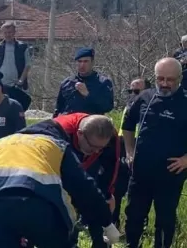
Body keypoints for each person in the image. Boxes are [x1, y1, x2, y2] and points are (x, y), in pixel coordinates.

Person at [0, 120, 121, 247]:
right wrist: (107, 222)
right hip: (34, 206)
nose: (94, 152)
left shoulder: (1, 143)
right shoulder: (55, 145)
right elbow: (84, 188)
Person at [28, 113, 120, 248]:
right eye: (92, 147)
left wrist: (108, 194)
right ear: (80, 134)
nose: (96, 151)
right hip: (52, 167)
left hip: (86, 166)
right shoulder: (60, 133)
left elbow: (111, 165)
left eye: (100, 148)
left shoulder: (109, 136)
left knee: (94, 198)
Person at [122, 58, 187, 248]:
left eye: (170, 80)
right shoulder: (144, 97)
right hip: (141, 170)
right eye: (160, 79)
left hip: (171, 172)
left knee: (165, 219)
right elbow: (127, 126)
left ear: (180, 78)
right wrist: (129, 151)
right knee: (134, 215)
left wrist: (185, 160)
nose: (164, 84)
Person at [113, 77, 151, 226]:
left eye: (137, 91)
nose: (133, 94)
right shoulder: (128, 106)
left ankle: (139, 226)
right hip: (122, 147)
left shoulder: (151, 106)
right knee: (116, 188)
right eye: (130, 91)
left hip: (142, 147)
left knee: (139, 191)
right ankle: (113, 223)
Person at [54, 47, 114, 118]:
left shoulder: (103, 82)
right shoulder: (67, 83)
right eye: (79, 61)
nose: (82, 65)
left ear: (92, 62)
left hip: (91, 123)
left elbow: (107, 107)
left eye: (86, 61)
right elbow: (58, 109)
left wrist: (88, 95)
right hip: (69, 123)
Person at [0, 21, 32, 89]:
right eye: (5, 33)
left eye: (9, 32)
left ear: (14, 32)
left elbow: (27, 65)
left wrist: (21, 80)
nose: (7, 35)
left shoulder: (22, 47)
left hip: (17, 85)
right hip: (1, 85)